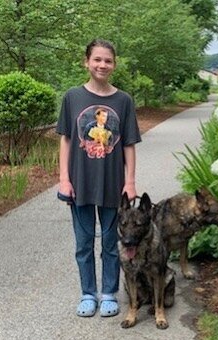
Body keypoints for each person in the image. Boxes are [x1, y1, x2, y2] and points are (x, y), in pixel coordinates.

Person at [57, 39, 141, 317]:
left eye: (107, 60)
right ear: (87, 62)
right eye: (97, 60)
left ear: (114, 64)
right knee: (83, 243)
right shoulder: (73, 97)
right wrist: (64, 179)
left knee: (110, 243)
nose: (102, 65)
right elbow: (67, 140)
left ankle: (108, 294)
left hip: (112, 185)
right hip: (80, 183)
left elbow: (128, 144)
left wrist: (129, 182)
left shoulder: (123, 100)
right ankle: (87, 294)